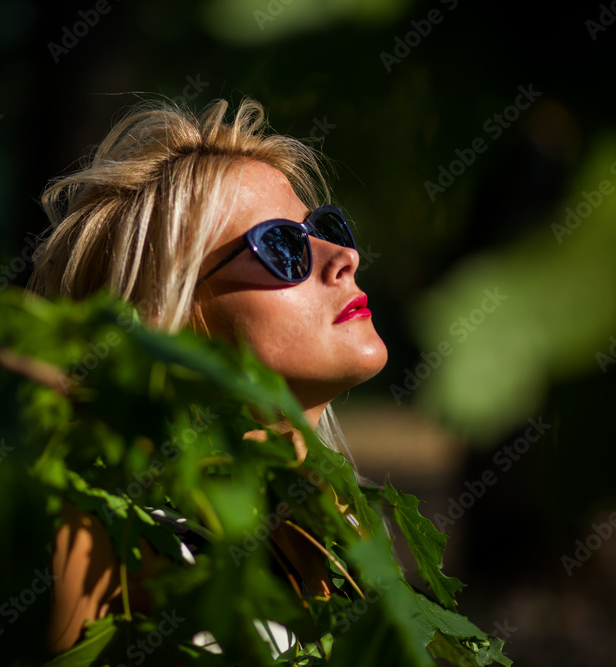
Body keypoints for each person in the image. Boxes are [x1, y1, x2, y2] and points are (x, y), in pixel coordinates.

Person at [29, 96, 386, 655]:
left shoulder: (352, 534)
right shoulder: (117, 545)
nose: (343, 256)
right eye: (282, 246)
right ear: (170, 323)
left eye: (326, 227)